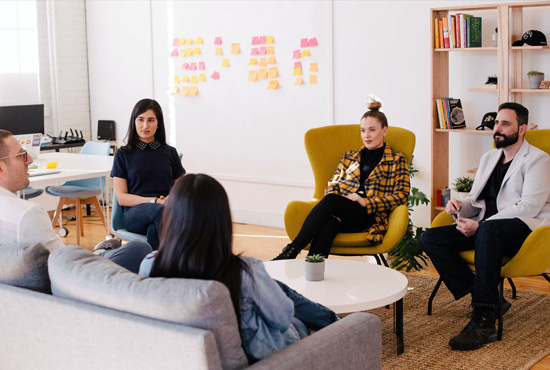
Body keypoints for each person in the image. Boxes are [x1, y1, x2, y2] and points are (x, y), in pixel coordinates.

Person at [138, 174, 339, 362]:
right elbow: (282, 317)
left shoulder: (150, 264)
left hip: (186, 356)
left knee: (275, 287)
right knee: (294, 318)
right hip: (262, 357)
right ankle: (341, 327)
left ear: (171, 218)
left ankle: (332, 321)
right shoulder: (243, 272)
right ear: (221, 220)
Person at [421, 102, 550, 351]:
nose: (497, 128)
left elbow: (529, 206)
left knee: (489, 232)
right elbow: (477, 199)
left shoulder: (538, 159)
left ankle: (484, 322)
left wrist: (480, 225)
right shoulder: (489, 157)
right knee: (431, 238)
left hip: (522, 229)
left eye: (505, 123)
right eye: (497, 122)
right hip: (486, 229)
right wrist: (459, 206)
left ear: (522, 129)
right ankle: (491, 298)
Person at [273, 99, 410, 260]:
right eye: (363, 130)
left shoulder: (396, 159)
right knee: (328, 226)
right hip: (343, 211)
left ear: (384, 130)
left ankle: (292, 250)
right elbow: (333, 184)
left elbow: (402, 195)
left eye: (372, 130)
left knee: (331, 200)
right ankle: (313, 270)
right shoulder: (350, 157)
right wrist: (342, 203)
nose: (366, 135)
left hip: (370, 216)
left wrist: (366, 202)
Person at [0, 129, 151, 273]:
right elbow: (63, 263)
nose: (30, 160)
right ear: (1, 169)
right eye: (22, 155)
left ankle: (99, 253)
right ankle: (99, 254)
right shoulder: (26, 215)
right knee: (138, 248)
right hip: (78, 277)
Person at [111, 98, 185, 250]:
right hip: (134, 214)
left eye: (151, 120)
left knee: (155, 229)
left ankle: (153, 269)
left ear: (158, 124)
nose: (145, 125)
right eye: (141, 120)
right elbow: (122, 198)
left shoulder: (169, 152)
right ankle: (181, 261)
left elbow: (183, 187)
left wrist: (172, 198)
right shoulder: (123, 154)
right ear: (134, 122)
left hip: (163, 212)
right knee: (161, 212)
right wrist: (155, 201)